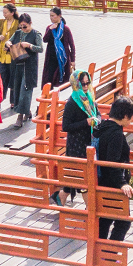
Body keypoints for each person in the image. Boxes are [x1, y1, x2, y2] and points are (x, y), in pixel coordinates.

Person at [52, 66, 101, 206]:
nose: (85, 87)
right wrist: (86, 122)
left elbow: (97, 113)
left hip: (89, 142)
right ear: (76, 84)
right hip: (76, 145)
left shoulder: (89, 98)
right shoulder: (72, 103)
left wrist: (97, 119)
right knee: (82, 178)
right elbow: (66, 126)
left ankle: (60, 196)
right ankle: (90, 209)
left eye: (87, 83)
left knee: (75, 176)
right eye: (82, 84)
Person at [94, 95, 133, 243]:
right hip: (112, 185)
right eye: (131, 117)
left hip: (100, 181)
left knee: (105, 219)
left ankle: (99, 254)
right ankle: (110, 255)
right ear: (125, 116)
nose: (131, 120)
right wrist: (122, 183)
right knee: (123, 222)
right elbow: (112, 163)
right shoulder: (116, 134)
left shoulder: (101, 127)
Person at [7, 13, 43, 128]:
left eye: (25, 26)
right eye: (21, 26)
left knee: (25, 91)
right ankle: (27, 112)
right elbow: (9, 41)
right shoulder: (18, 33)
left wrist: (29, 46)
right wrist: (8, 43)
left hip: (30, 67)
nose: (22, 29)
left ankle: (20, 117)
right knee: (17, 90)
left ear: (30, 23)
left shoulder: (36, 34)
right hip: (18, 66)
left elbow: (41, 48)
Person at [41, 7, 76, 89]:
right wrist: (50, 30)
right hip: (51, 58)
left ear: (59, 15)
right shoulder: (49, 27)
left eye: (53, 16)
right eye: (50, 16)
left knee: (61, 79)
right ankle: (49, 97)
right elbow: (45, 40)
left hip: (63, 58)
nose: (51, 18)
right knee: (49, 79)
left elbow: (72, 45)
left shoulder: (65, 29)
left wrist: (73, 60)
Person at [0, 3, 20, 95]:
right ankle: (0, 98)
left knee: (13, 78)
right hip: (2, 53)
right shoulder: (1, 22)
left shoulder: (18, 23)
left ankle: (13, 100)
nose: (4, 14)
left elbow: (19, 36)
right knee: (0, 78)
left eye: (6, 12)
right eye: (3, 12)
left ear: (12, 13)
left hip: (12, 54)